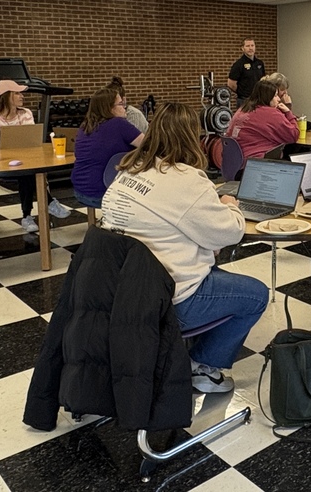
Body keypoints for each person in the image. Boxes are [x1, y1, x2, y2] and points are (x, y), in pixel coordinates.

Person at [99, 101, 266, 393]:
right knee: (256, 295)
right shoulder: (185, 179)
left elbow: (162, 224)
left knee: (212, 263)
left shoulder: (127, 172)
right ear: (193, 137)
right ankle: (203, 367)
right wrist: (230, 206)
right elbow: (230, 233)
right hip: (168, 302)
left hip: (120, 293)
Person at [0, 80, 70, 233]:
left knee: (27, 172)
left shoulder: (25, 113)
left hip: (26, 161)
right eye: (17, 93)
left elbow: (31, 138)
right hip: (4, 164)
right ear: (7, 96)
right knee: (28, 174)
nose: (22, 96)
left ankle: (27, 216)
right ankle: (48, 202)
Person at [71, 86, 145, 209]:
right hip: (103, 192)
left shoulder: (85, 127)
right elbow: (151, 145)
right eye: (121, 104)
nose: (125, 107)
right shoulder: (119, 124)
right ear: (110, 108)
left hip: (80, 190)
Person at [225, 80, 298, 161]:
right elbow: (293, 135)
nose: (278, 99)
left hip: (234, 162)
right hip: (256, 162)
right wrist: (288, 112)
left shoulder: (243, 109)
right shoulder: (270, 113)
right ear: (267, 97)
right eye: (275, 96)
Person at [227, 37, 265, 107]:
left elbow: (263, 79)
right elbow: (231, 84)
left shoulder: (260, 63)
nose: (250, 48)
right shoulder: (238, 64)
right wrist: (243, 92)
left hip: (258, 99)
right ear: (242, 48)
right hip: (244, 100)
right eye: (247, 46)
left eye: (252, 45)